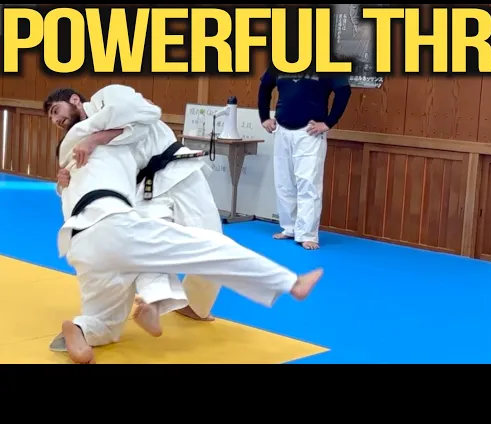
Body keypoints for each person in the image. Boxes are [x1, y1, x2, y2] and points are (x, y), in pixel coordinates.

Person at [54, 108, 324, 364]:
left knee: (108, 316)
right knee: (205, 247)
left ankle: (84, 328)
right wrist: (85, 152)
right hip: (119, 220)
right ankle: (289, 282)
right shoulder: (98, 151)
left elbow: (134, 117)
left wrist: (77, 161)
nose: (56, 118)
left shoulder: (89, 149)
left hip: (79, 241)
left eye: (57, 111)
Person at [45, 85, 223, 322]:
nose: (56, 120)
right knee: (143, 244)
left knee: (212, 241)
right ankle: (153, 301)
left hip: (178, 171)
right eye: (52, 118)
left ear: (75, 100)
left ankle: (196, 305)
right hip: (143, 189)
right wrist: (64, 180)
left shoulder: (105, 98)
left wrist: (96, 139)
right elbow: (81, 173)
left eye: (56, 110)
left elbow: (142, 116)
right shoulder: (79, 136)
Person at [258, 68, 352, 250]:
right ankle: (289, 228)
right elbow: (265, 86)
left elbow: (344, 91)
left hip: (309, 132)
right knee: (284, 183)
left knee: (308, 184)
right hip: (282, 129)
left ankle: (307, 234)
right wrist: (264, 117)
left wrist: (329, 122)